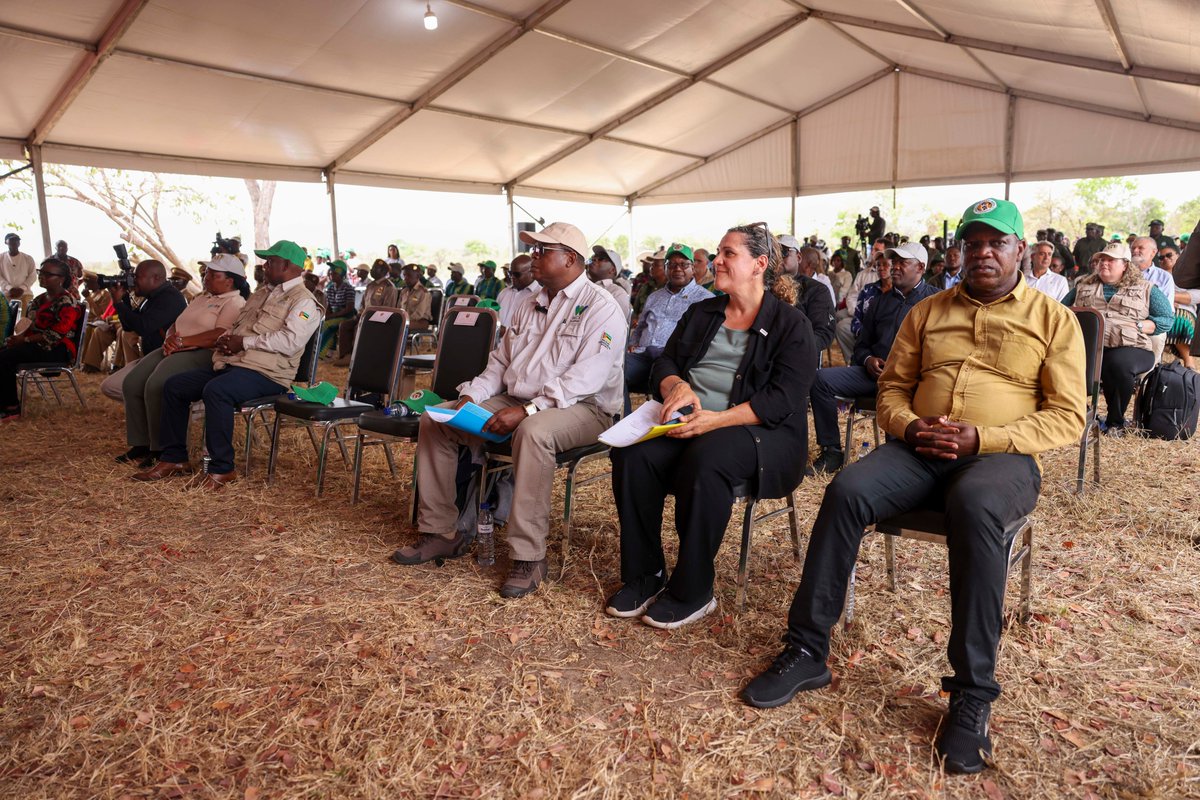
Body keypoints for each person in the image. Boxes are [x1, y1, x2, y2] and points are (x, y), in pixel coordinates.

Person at [742, 198, 1086, 776]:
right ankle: (806, 650)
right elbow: (892, 393)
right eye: (972, 243)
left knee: (975, 505)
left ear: (1019, 251)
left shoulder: (1053, 318)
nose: (982, 253)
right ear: (960, 252)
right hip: (919, 450)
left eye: (996, 243)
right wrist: (909, 425)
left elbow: (1068, 417)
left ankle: (971, 694)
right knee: (847, 489)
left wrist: (985, 439)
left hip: (1000, 458)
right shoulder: (927, 312)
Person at [392, 222, 626, 599]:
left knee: (534, 432)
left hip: (584, 407)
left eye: (542, 251)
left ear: (570, 258)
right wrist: (472, 396)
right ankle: (442, 532)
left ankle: (529, 556)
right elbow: (500, 364)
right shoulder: (528, 303)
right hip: (520, 399)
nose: (533, 257)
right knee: (436, 421)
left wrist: (529, 410)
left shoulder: (602, 309)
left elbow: (587, 378)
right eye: (533, 250)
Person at [607, 223, 818, 628]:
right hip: (691, 421)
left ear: (759, 264)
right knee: (631, 454)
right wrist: (677, 386)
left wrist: (716, 420)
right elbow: (664, 364)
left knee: (708, 457)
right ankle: (645, 574)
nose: (717, 261)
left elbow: (782, 400)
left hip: (759, 434)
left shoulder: (791, 325)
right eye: (718, 253)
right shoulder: (702, 312)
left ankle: (694, 588)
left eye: (728, 254)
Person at [133, 241, 320, 491]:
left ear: (287, 265)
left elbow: (290, 341)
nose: (264, 266)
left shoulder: (304, 302)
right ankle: (174, 458)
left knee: (217, 390)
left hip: (268, 374)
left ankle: (222, 469)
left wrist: (243, 342)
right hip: (235, 364)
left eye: (270, 262)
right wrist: (226, 340)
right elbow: (237, 327)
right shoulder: (262, 293)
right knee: (175, 385)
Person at [809, 241, 939, 473]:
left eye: (902, 262)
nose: (895, 267)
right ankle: (832, 452)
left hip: (912, 382)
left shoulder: (936, 302)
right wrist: (868, 359)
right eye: (894, 262)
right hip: (874, 375)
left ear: (920, 267)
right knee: (820, 380)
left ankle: (897, 464)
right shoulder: (880, 301)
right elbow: (861, 345)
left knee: (896, 401)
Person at [116, 254, 249, 468]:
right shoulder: (202, 297)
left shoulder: (235, 302)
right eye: (206, 272)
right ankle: (141, 443)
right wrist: (170, 338)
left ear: (230, 280)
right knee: (132, 382)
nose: (206, 277)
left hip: (204, 354)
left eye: (213, 274)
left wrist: (182, 341)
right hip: (177, 347)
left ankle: (160, 450)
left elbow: (219, 334)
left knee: (156, 384)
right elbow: (177, 322)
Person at [1063, 241, 1173, 435]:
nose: (1104, 263)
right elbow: (1060, 309)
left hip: (1133, 347)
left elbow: (1167, 318)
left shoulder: (1146, 288)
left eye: (1111, 260)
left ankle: (1116, 421)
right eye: (1101, 259)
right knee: (1071, 362)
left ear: (1125, 265)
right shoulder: (1082, 285)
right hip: (1091, 348)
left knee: (1117, 363)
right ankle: (1084, 414)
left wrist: (1142, 325)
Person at [624, 247, 713, 415]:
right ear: (666, 269)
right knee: (614, 372)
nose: (677, 269)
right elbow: (640, 326)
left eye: (683, 264)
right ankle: (624, 427)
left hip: (673, 361)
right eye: (671, 264)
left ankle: (664, 426)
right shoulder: (654, 297)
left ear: (692, 268)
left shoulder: (705, 299)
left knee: (667, 383)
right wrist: (632, 343)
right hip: (643, 355)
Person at [0, 258, 82, 420]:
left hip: (57, 349)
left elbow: (56, 335)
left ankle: (12, 408)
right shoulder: (39, 299)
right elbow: (29, 326)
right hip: (37, 345)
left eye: (47, 274)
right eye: (41, 272)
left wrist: (24, 341)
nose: (42, 277)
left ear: (61, 279)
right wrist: (18, 338)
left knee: (5, 358)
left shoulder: (67, 302)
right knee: (4, 351)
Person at [104, 260, 189, 398]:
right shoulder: (152, 297)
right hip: (152, 358)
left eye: (138, 276)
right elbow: (129, 326)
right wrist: (124, 298)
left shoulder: (169, 298)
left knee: (114, 387)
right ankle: (149, 406)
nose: (133, 280)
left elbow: (144, 327)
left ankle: (153, 406)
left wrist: (118, 303)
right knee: (110, 386)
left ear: (155, 278)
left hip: (165, 361)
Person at [332, 260, 399, 366]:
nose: (371, 270)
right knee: (345, 325)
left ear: (383, 271)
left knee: (358, 326)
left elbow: (388, 309)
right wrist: (360, 314)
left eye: (375, 268)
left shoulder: (389, 287)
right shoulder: (371, 285)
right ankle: (345, 355)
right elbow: (363, 304)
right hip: (365, 316)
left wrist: (368, 317)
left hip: (379, 319)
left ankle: (356, 356)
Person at [778, 238, 835, 353]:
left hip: (795, 355)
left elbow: (822, 334)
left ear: (798, 257)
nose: (778, 257)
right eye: (773, 252)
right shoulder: (762, 286)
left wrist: (793, 350)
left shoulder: (817, 290)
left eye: (784, 252)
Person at [1130, 236, 1177, 365]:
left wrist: (1145, 323)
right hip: (1125, 318)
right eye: (1133, 247)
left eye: (1140, 248)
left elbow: (1167, 311)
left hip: (1151, 321)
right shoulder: (1122, 271)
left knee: (1156, 338)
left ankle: (1146, 380)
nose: (1135, 251)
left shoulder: (1164, 277)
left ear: (1153, 252)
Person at [1156, 243, 1197, 369]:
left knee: (1178, 319)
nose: (1165, 259)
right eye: (1161, 258)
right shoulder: (1156, 276)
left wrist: (1168, 297)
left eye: (1169, 255)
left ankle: (1189, 362)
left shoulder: (1189, 275)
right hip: (1159, 310)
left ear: (1179, 257)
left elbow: (1197, 296)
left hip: (1183, 310)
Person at [317, 260, 356, 358]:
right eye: (330, 273)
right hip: (335, 315)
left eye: (334, 273)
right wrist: (328, 315)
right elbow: (329, 306)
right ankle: (330, 352)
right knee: (326, 324)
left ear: (342, 274)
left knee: (327, 325)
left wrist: (331, 316)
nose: (331, 275)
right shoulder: (330, 288)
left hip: (347, 316)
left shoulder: (348, 288)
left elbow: (349, 309)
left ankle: (319, 353)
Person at [587, 246, 631, 322]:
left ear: (612, 270)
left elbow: (617, 324)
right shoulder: (582, 285)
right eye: (593, 258)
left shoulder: (617, 293)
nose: (594, 259)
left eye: (601, 259)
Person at [0, 233, 37, 310]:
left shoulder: (28, 258)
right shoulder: (1, 258)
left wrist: (22, 288)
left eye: (17, 240)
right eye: (11, 240)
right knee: (7, 320)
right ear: (6, 242)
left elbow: (32, 276)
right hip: (6, 294)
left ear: (19, 243)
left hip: (25, 294)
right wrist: (9, 288)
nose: (15, 242)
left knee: (24, 320)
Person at [632, 252, 667, 318]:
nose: (652, 267)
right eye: (652, 264)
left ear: (666, 268)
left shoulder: (671, 289)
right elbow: (635, 311)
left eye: (656, 265)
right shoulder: (646, 286)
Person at [398, 265, 433, 331]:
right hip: (406, 320)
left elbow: (419, 314)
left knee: (399, 326)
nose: (405, 278)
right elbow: (398, 309)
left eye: (409, 275)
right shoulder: (404, 291)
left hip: (420, 322)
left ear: (418, 276)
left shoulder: (423, 292)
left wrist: (404, 320)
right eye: (404, 275)